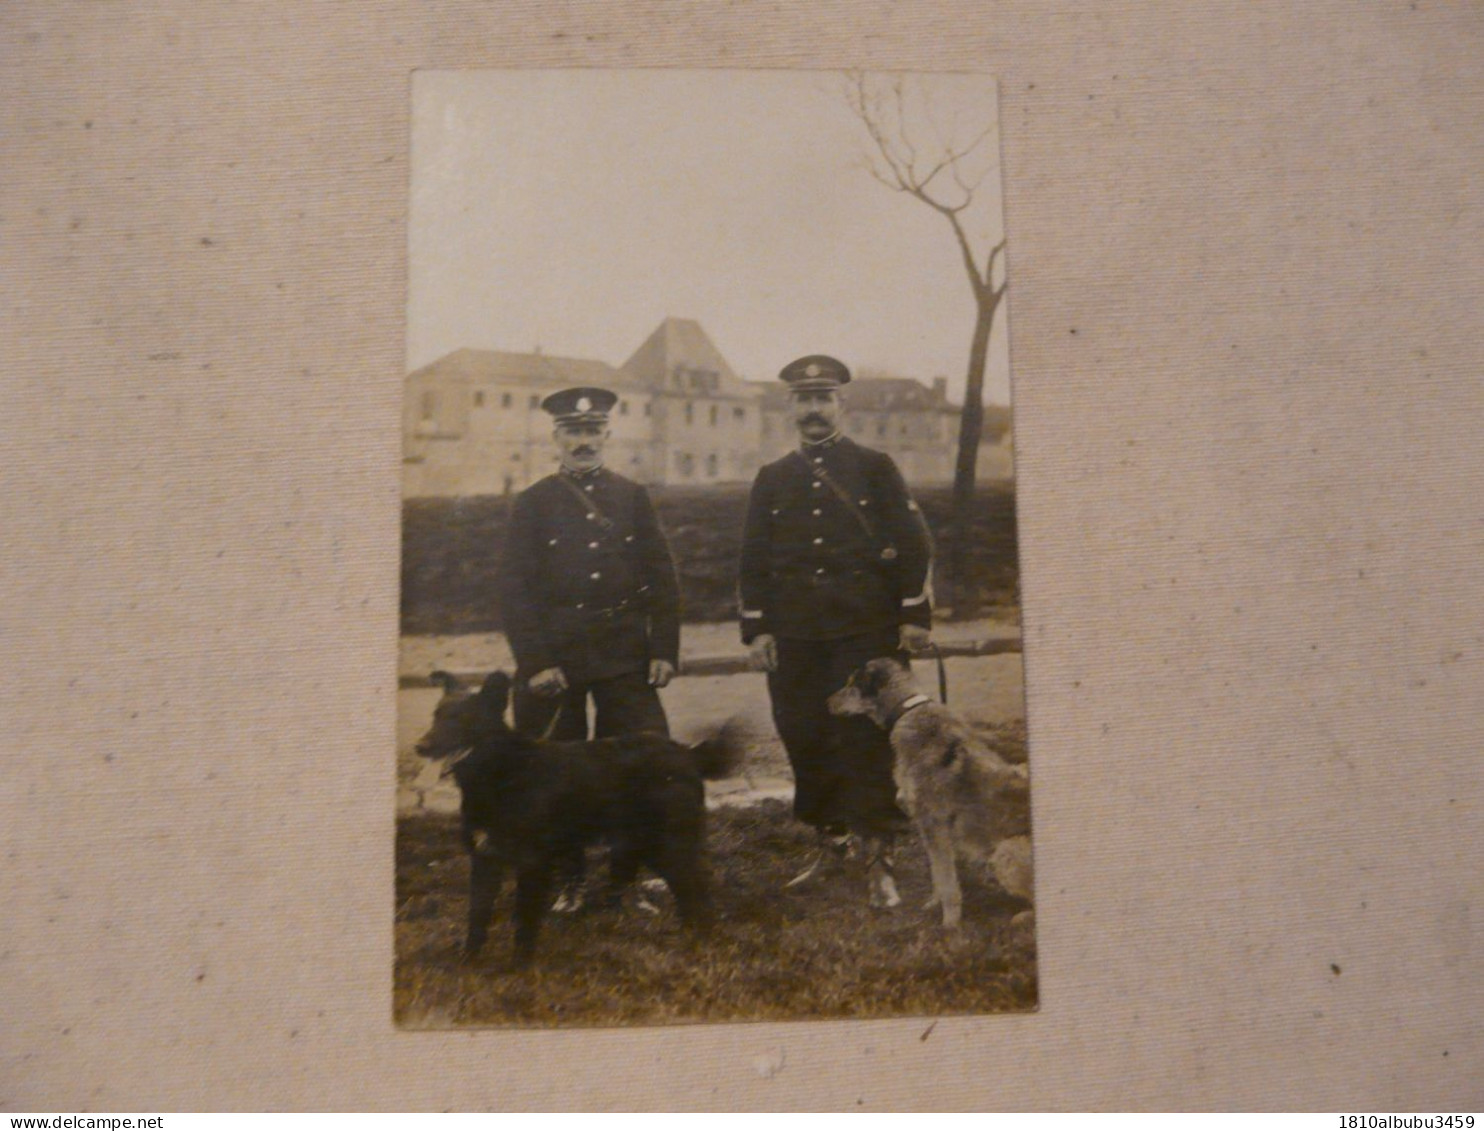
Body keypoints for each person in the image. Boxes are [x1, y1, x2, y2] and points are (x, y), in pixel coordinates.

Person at [738, 354, 934, 908]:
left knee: (865, 743)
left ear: (841, 405)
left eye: (824, 398)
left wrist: (914, 616)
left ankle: (878, 859)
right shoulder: (773, 478)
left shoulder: (874, 466)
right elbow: (753, 560)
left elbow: (915, 543)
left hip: (864, 633)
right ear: (790, 408)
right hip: (796, 635)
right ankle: (832, 842)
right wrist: (757, 630)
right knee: (803, 735)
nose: (814, 409)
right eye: (804, 400)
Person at [498, 386, 681, 908]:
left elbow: (661, 578)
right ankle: (568, 878)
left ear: (607, 434)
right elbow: (513, 589)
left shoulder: (631, 496)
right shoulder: (533, 504)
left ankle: (630, 878)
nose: (583, 441)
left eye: (592, 430)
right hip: (556, 659)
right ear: (555, 438)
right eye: (572, 432)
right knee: (555, 771)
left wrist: (663, 649)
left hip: (623, 653)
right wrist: (536, 662)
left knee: (645, 760)